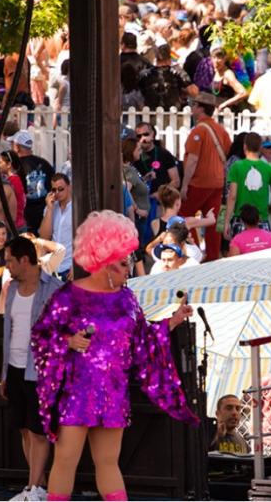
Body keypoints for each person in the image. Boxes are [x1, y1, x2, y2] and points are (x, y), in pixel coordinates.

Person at [33, 211, 198, 501]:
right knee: (65, 461)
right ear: (105, 261)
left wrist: (172, 321)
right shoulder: (68, 296)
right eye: (123, 263)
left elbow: (143, 338)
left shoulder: (127, 299)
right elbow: (41, 336)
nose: (128, 269)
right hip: (75, 392)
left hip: (112, 392)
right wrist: (68, 341)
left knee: (109, 462)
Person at [2, 236, 66, 502]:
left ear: (24, 260)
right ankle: (36, 484)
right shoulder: (11, 289)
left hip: (41, 370)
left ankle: (33, 488)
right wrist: (4, 373)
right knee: (25, 429)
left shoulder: (53, 288)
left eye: (9, 262)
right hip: (15, 368)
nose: (6, 267)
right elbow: (8, 330)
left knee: (39, 431)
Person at [180, 93, 232, 261]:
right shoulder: (221, 130)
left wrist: (184, 185)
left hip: (199, 182)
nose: (192, 108)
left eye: (194, 104)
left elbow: (192, 160)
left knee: (183, 216)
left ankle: (192, 253)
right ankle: (212, 257)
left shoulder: (199, 130)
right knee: (213, 222)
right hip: (217, 183)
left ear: (200, 108)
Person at [225, 132, 271, 239]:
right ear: (260, 147)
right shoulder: (270, 169)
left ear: (245, 146)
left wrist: (227, 221)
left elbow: (232, 196)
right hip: (262, 219)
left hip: (240, 219)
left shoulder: (236, 166)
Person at [39, 174, 74, 278]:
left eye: (61, 189)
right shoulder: (51, 208)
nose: (57, 193)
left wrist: (76, 264)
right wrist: (49, 209)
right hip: (52, 266)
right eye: (54, 190)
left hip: (69, 266)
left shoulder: (76, 208)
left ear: (69, 187)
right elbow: (44, 237)